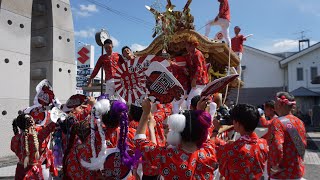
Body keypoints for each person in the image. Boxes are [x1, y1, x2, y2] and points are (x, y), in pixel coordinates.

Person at [134, 98, 218, 179]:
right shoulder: (209, 152)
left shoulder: (167, 156)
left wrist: (145, 112)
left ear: (178, 133)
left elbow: (139, 140)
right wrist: (200, 112)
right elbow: (204, 131)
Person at [217, 104, 268, 179]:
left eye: (234, 120)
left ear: (238, 123)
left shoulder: (232, 148)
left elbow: (223, 170)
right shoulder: (263, 144)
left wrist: (215, 131)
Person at [267, 92, 306, 180]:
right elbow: (301, 146)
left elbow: (277, 145)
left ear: (280, 104)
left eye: (276, 102)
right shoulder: (300, 122)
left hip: (282, 173)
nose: (275, 105)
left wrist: (274, 165)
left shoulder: (277, 122)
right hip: (296, 171)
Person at [11, 114, 56, 179]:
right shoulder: (39, 136)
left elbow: (14, 149)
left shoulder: (14, 139)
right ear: (32, 122)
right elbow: (53, 124)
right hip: (37, 170)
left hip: (21, 170)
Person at [185, 36, 209, 109]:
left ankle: (192, 117)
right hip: (195, 82)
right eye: (187, 45)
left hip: (199, 82)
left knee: (190, 101)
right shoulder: (189, 55)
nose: (187, 47)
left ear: (194, 45)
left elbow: (199, 68)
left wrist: (194, 80)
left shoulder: (197, 54)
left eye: (190, 46)